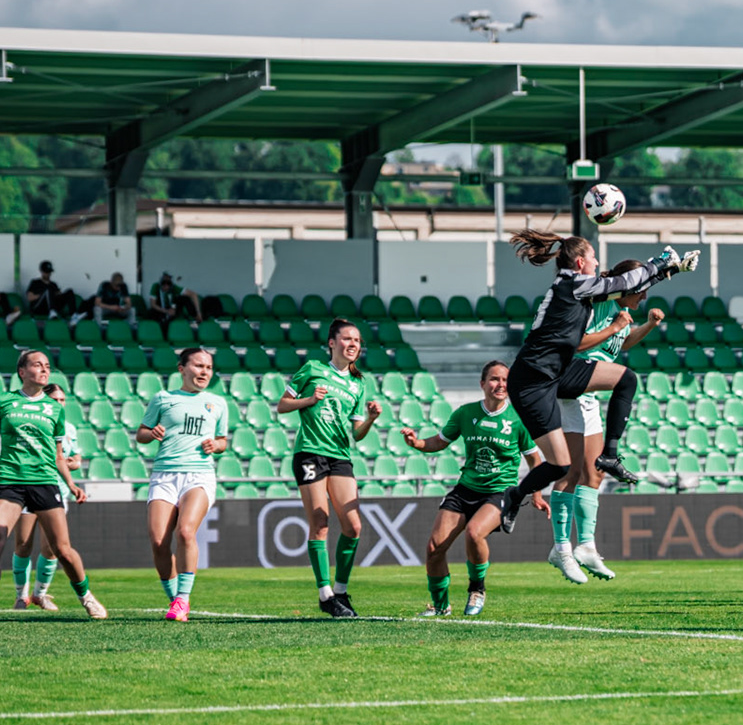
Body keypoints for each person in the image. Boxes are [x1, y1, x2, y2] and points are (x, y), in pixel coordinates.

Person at [497, 231, 697, 525]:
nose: (597, 262)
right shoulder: (574, 284)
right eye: (593, 257)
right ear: (580, 263)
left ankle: (518, 494)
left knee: (562, 463)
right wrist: (661, 262)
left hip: (556, 374)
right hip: (531, 380)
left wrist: (671, 270)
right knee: (559, 465)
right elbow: (625, 283)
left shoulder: (579, 286)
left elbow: (628, 287)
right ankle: (600, 460)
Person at [546, 262, 665, 584]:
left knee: (594, 474)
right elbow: (578, 344)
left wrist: (648, 326)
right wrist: (613, 325)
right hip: (574, 381)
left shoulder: (622, 315)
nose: (643, 298)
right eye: (641, 290)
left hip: (591, 392)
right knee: (569, 473)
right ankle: (560, 547)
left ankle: (585, 545)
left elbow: (620, 345)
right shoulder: (601, 304)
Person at [0, 349, 102, 622]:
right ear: (22, 372)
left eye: (47, 366)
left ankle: (86, 597)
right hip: (10, 480)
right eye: (37, 365)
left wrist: (71, 485)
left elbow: (59, 455)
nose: (44, 369)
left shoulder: (54, 409)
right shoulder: (4, 402)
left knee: (61, 549)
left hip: (45, 481)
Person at [404, 361, 550, 616]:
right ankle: (440, 607)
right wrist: (416, 443)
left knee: (474, 533)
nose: (500, 385)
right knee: (434, 548)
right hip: (465, 489)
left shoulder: (518, 419)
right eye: (494, 379)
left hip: (499, 491)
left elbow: (535, 460)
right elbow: (439, 441)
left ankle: (477, 589)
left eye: (505, 380)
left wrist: (536, 494)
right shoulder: (465, 413)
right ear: (482, 384)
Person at [276, 320, 384, 617]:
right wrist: (310, 400)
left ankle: (340, 591)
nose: (353, 344)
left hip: (340, 455)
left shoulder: (359, 383)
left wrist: (371, 418)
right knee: (320, 523)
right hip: (310, 452)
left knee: (353, 526)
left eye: (357, 341)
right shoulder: (312, 368)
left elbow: (357, 433)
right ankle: (325, 594)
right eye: (347, 339)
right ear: (332, 343)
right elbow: (282, 405)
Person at [138, 347, 231, 622]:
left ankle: (183, 599)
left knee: (186, 532)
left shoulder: (217, 403)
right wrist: (151, 433)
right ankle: (175, 599)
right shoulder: (163, 398)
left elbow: (223, 441)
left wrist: (217, 444)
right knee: (158, 542)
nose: (204, 372)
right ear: (182, 369)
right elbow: (141, 434)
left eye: (209, 367)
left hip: (199, 475)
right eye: (199, 366)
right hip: (165, 475)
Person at [10, 381, 80, 611]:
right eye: (55, 400)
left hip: (56, 490)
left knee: (51, 547)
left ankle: (40, 594)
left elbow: (75, 459)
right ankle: (21, 595)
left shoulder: (69, 428)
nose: (60, 403)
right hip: (31, 486)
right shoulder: (34, 423)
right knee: (23, 543)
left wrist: (72, 464)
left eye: (63, 400)